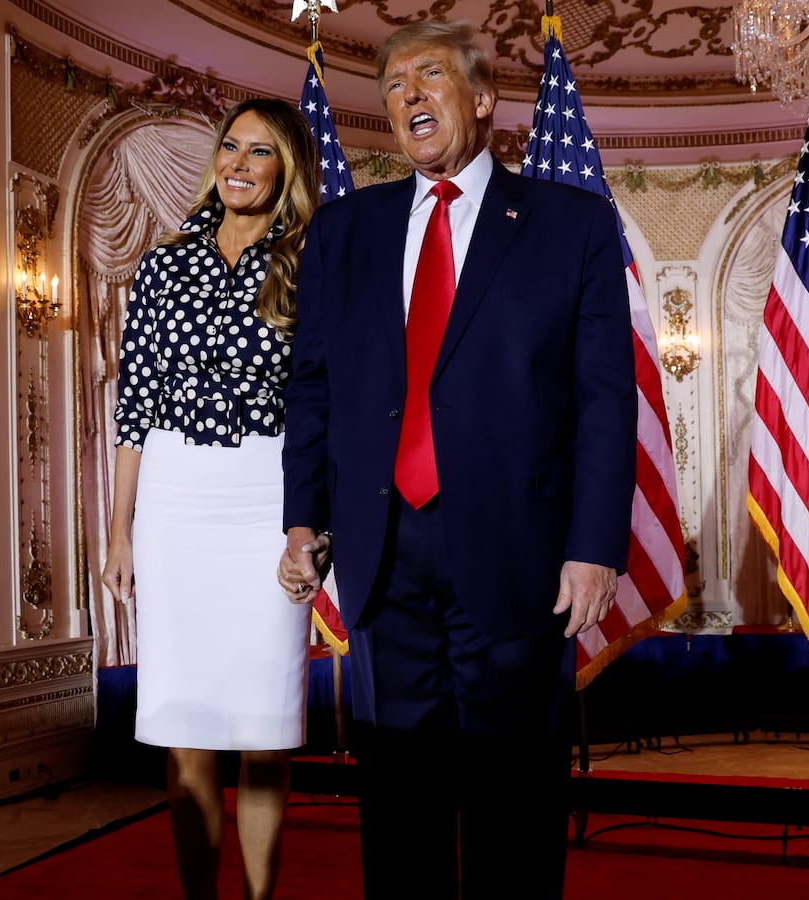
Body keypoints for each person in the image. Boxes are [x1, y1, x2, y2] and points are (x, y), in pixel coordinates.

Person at [276, 19, 638, 899]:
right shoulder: (345, 232)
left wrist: (594, 545)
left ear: (481, 100)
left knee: (514, 796)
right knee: (399, 800)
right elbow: (315, 388)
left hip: (519, 555)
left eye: (428, 76)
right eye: (394, 85)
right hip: (382, 556)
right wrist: (302, 518)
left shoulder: (571, 224)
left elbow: (602, 397)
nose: (407, 96)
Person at [102, 96, 322, 900]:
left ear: (287, 169)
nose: (237, 163)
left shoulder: (311, 260)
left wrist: (312, 525)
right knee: (187, 729)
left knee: (265, 730)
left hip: (270, 492)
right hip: (175, 497)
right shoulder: (163, 266)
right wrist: (120, 528)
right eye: (230, 146)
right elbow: (136, 407)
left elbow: (321, 402)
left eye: (260, 152)